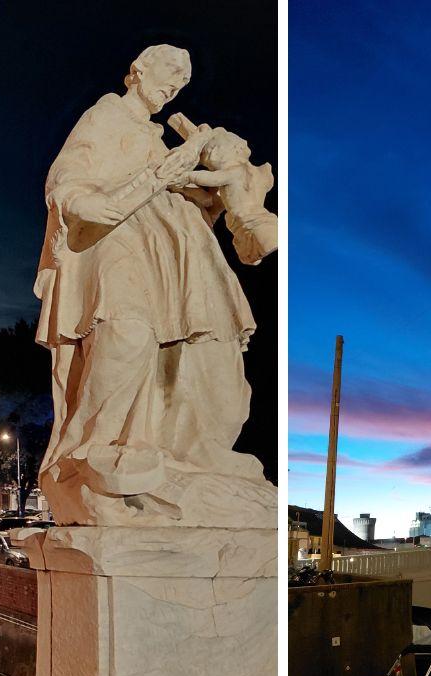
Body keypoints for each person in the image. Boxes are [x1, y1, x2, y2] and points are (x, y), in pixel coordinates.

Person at [34, 46, 266, 522]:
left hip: (178, 253)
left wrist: (217, 189)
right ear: (138, 71)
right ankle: (95, 446)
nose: (174, 87)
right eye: (169, 75)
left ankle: (196, 447)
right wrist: (78, 199)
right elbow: (66, 176)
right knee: (126, 331)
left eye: (182, 83)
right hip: (120, 238)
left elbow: (197, 198)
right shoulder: (106, 115)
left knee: (210, 350)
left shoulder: (160, 138)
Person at [187, 128, 277, 265]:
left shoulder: (235, 172)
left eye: (210, 154)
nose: (209, 162)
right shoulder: (252, 176)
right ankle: (261, 246)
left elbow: (210, 179)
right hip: (254, 221)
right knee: (252, 252)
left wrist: (187, 175)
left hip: (248, 222)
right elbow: (220, 200)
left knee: (254, 245)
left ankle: (262, 244)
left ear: (233, 150)